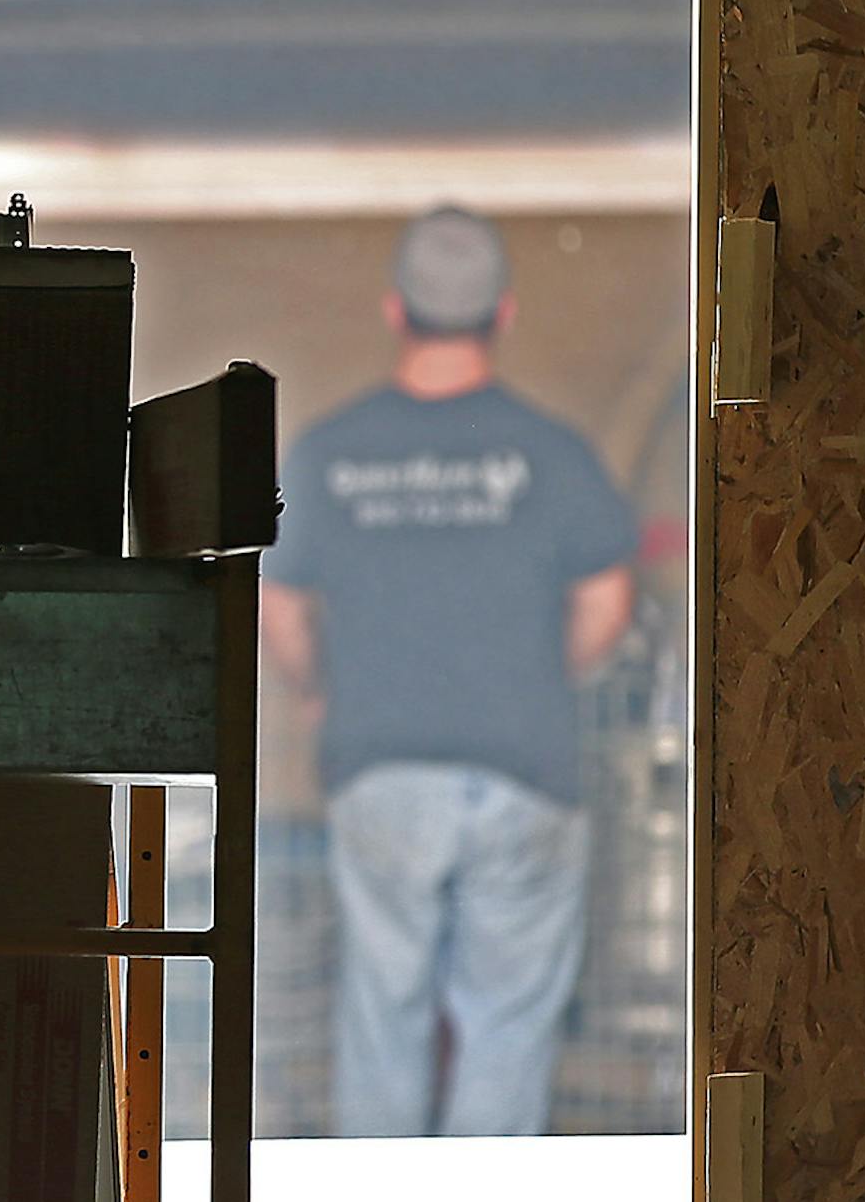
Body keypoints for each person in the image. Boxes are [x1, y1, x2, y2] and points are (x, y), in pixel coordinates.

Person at [262, 209, 637, 1139]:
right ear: (503, 314)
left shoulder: (327, 452)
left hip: (378, 767)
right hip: (523, 767)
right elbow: (608, 599)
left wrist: (319, 687)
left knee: (381, 1001)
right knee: (506, 1014)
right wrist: (546, 675)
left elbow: (278, 602)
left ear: (396, 312)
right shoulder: (553, 454)